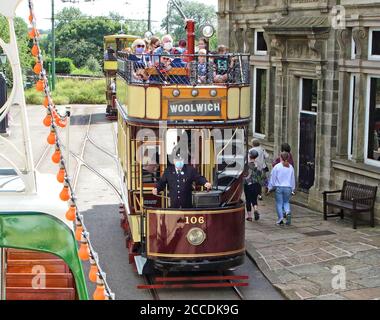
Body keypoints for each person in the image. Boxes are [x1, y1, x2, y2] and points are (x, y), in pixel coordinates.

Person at [267, 152, 296, 226]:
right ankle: (287, 212)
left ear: (281, 157)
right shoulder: (291, 167)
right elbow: (293, 179)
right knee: (286, 202)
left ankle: (280, 219)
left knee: (279, 203)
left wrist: (270, 187)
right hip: (288, 188)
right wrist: (293, 189)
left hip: (279, 188)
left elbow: (273, 178)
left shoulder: (277, 167)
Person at [244, 149, 264, 222]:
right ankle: (255, 209)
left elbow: (244, 175)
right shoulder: (259, 164)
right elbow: (261, 175)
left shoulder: (246, 164)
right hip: (256, 184)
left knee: (248, 200)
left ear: (250, 156)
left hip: (248, 184)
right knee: (254, 199)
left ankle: (249, 216)